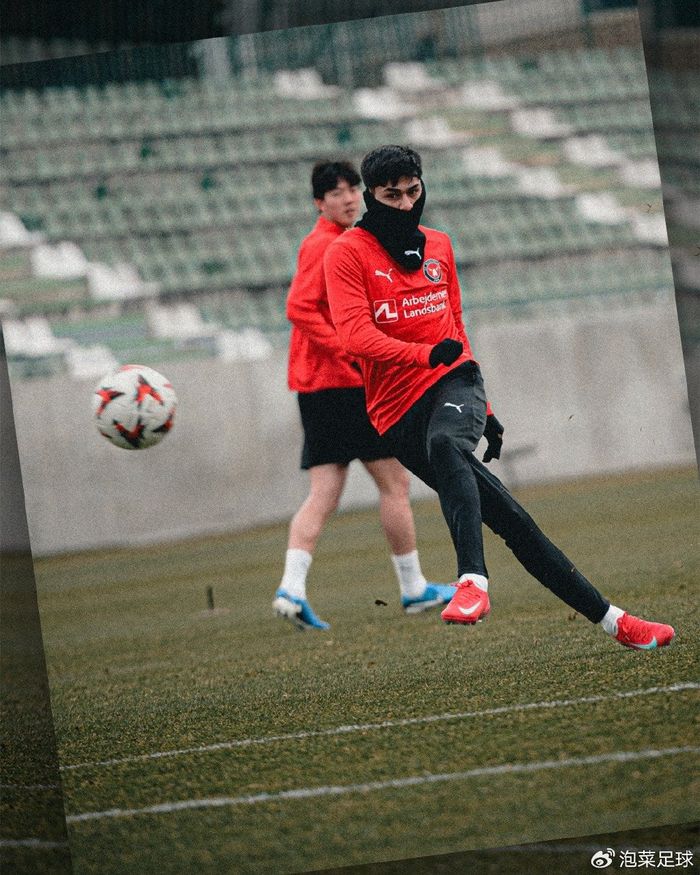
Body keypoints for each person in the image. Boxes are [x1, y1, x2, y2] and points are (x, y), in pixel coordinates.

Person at [324, 144, 675, 649]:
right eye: (392, 196)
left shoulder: (439, 245)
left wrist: (482, 407)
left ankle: (472, 582)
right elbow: (355, 337)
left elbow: (455, 325)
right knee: (512, 521)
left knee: (446, 443)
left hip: (454, 381)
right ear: (371, 197)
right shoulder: (347, 253)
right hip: (396, 414)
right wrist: (424, 355)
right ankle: (617, 623)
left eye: (413, 192)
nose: (406, 204)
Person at [273, 159, 456, 631]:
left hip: (317, 389)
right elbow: (299, 307)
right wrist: (350, 350)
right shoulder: (325, 245)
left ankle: (291, 588)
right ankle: (413, 588)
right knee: (395, 485)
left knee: (324, 494)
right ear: (320, 203)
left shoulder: (341, 241)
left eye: (353, 189)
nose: (349, 198)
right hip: (345, 385)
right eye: (336, 193)